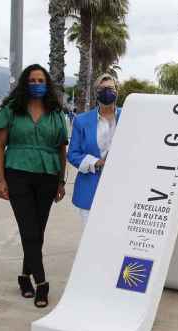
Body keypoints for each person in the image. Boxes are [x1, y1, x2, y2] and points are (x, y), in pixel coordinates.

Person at [0, 64, 68, 308]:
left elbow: (61, 149)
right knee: (29, 230)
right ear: (25, 83)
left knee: (38, 231)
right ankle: (42, 283)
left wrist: (61, 180)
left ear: (48, 84)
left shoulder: (56, 112)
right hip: (18, 175)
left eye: (41, 80)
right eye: (33, 80)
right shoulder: (12, 110)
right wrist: (1, 179)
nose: (37, 84)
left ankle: (25, 278)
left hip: (47, 175)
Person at [68, 73, 121, 226]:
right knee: (90, 234)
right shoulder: (81, 121)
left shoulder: (129, 116)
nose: (107, 92)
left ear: (117, 91)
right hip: (90, 186)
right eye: (102, 89)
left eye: (110, 88)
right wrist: (98, 162)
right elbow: (73, 154)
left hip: (121, 186)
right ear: (96, 93)